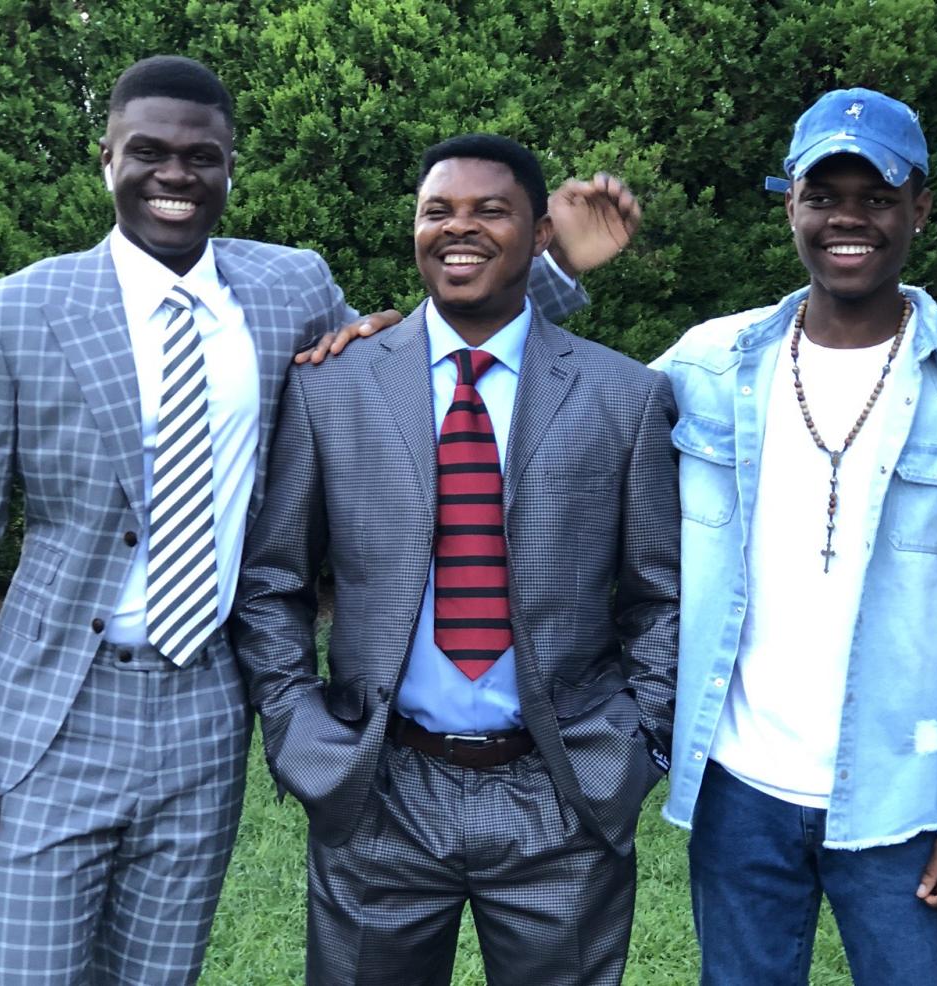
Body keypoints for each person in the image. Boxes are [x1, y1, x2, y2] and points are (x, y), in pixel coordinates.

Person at [0, 56, 636, 985]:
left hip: (205, 710)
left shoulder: (288, 289)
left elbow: (427, 362)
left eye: (201, 156)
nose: (176, 175)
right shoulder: (13, 313)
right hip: (48, 715)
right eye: (149, 152)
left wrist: (556, 262)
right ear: (106, 159)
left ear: (229, 167)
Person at [231, 133, 679, 985]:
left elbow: (661, 596)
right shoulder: (335, 387)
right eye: (438, 211)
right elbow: (274, 581)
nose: (458, 229)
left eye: (490, 211)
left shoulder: (624, 396)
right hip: (380, 789)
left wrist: (637, 739)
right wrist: (297, 728)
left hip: (561, 790)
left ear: (541, 233)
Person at [653, 88, 937, 984]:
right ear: (789, 205)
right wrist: (392, 339)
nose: (848, 218)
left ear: (920, 208)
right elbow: (561, 409)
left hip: (903, 800)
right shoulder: (710, 364)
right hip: (739, 786)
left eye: (876, 196)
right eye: (823, 194)